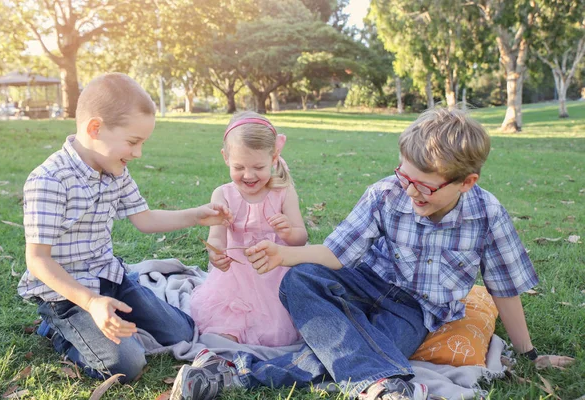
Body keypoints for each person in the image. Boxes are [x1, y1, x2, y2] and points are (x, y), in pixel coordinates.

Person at [170, 107, 574, 400]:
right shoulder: (386, 193)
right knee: (301, 278)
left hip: (414, 311)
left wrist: (529, 354)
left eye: (425, 186)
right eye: (405, 176)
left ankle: (232, 376)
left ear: (466, 182)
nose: (410, 191)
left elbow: (504, 287)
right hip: (363, 281)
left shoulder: (488, 214)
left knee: (357, 350)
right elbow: (336, 252)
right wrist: (283, 255)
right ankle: (383, 384)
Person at [18, 73, 233, 383]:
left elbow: (144, 219)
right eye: (133, 142)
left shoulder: (115, 171)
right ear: (95, 128)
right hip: (66, 295)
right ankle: (58, 331)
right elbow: (37, 260)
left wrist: (197, 216)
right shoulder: (50, 181)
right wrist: (91, 303)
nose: (138, 153)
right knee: (127, 364)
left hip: (111, 277)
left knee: (182, 331)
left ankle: (110, 316)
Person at [189, 111, 308, 347]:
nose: (249, 175)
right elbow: (216, 238)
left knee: (276, 325)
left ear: (274, 158)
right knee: (228, 317)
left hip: (276, 271)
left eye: (258, 167)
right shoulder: (223, 194)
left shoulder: (283, 191)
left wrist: (287, 232)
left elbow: (301, 238)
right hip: (236, 273)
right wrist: (216, 254)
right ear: (225, 157)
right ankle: (229, 338)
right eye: (239, 167)